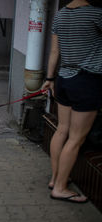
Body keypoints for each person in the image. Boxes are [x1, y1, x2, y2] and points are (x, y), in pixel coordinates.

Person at [41, 0, 102, 203]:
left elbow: (54, 52)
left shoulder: (60, 15)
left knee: (61, 130)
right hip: (86, 81)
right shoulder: (96, 14)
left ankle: (54, 178)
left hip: (63, 79)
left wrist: (49, 79)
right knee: (76, 138)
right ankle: (60, 187)